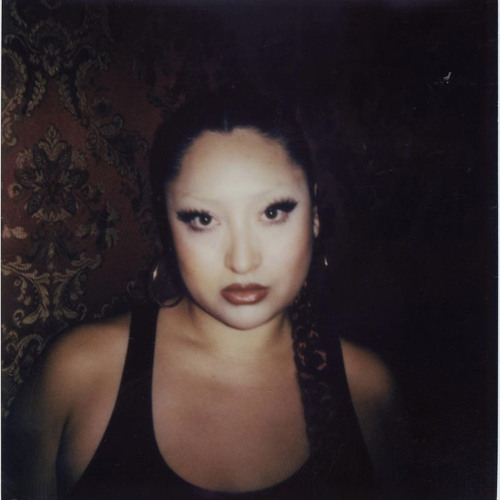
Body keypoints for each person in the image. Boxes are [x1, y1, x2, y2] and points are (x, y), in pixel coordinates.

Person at [6, 86, 396, 500]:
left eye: (272, 212)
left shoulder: (368, 390)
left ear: (314, 214)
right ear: (167, 223)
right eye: (204, 219)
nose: (242, 261)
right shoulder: (78, 373)